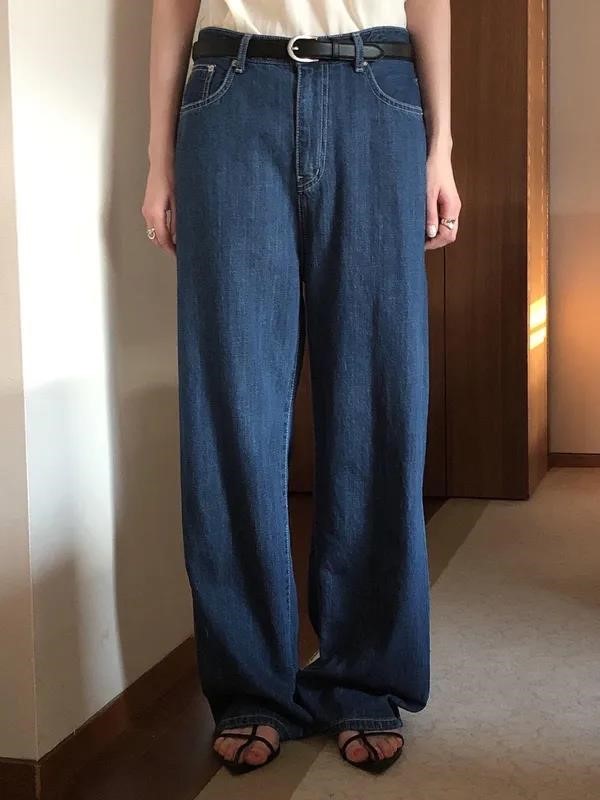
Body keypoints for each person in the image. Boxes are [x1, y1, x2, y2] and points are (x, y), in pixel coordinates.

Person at [142, 0, 460, 776]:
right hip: (231, 92)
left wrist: (442, 145)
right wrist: (158, 157)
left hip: (376, 88)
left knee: (377, 397)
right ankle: (249, 685)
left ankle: (364, 677)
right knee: (232, 406)